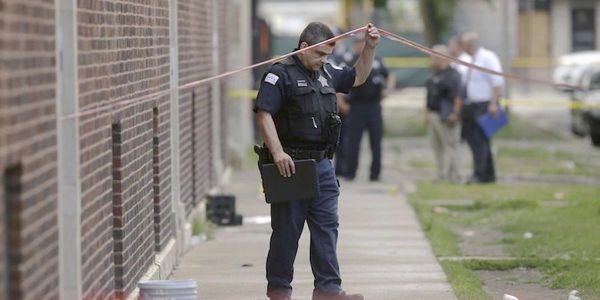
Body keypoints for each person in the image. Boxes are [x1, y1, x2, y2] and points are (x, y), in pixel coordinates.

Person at [254, 22, 380, 300]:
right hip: (291, 166)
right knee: (287, 232)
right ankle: (279, 289)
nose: (324, 59)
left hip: (323, 165)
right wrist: (277, 153)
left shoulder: (326, 72)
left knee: (326, 229)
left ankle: (328, 289)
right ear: (304, 47)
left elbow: (358, 76)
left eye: (328, 55)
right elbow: (263, 114)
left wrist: (369, 47)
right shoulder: (279, 75)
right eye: (320, 53)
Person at [341, 35, 396, 181]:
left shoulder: (376, 60)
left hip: (374, 106)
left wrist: (388, 90)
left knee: (376, 142)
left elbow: (390, 75)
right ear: (355, 45)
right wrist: (341, 103)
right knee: (353, 142)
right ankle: (350, 172)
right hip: (356, 106)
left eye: (363, 43)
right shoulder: (349, 60)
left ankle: (375, 174)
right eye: (359, 44)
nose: (361, 46)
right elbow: (338, 83)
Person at [460, 32, 504, 184]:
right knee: (475, 140)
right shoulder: (470, 59)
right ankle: (488, 174)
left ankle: (479, 174)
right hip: (472, 105)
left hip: (484, 104)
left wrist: (493, 103)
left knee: (481, 141)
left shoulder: (487, 57)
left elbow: (497, 82)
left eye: (464, 44)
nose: (462, 47)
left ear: (471, 44)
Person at [425, 45, 463, 183]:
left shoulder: (453, 75)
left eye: (434, 57)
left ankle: (456, 176)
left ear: (442, 57)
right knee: (437, 147)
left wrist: (456, 113)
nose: (432, 60)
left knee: (451, 146)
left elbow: (458, 97)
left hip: (447, 115)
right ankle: (440, 174)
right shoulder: (435, 74)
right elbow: (430, 96)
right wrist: (427, 113)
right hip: (434, 114)